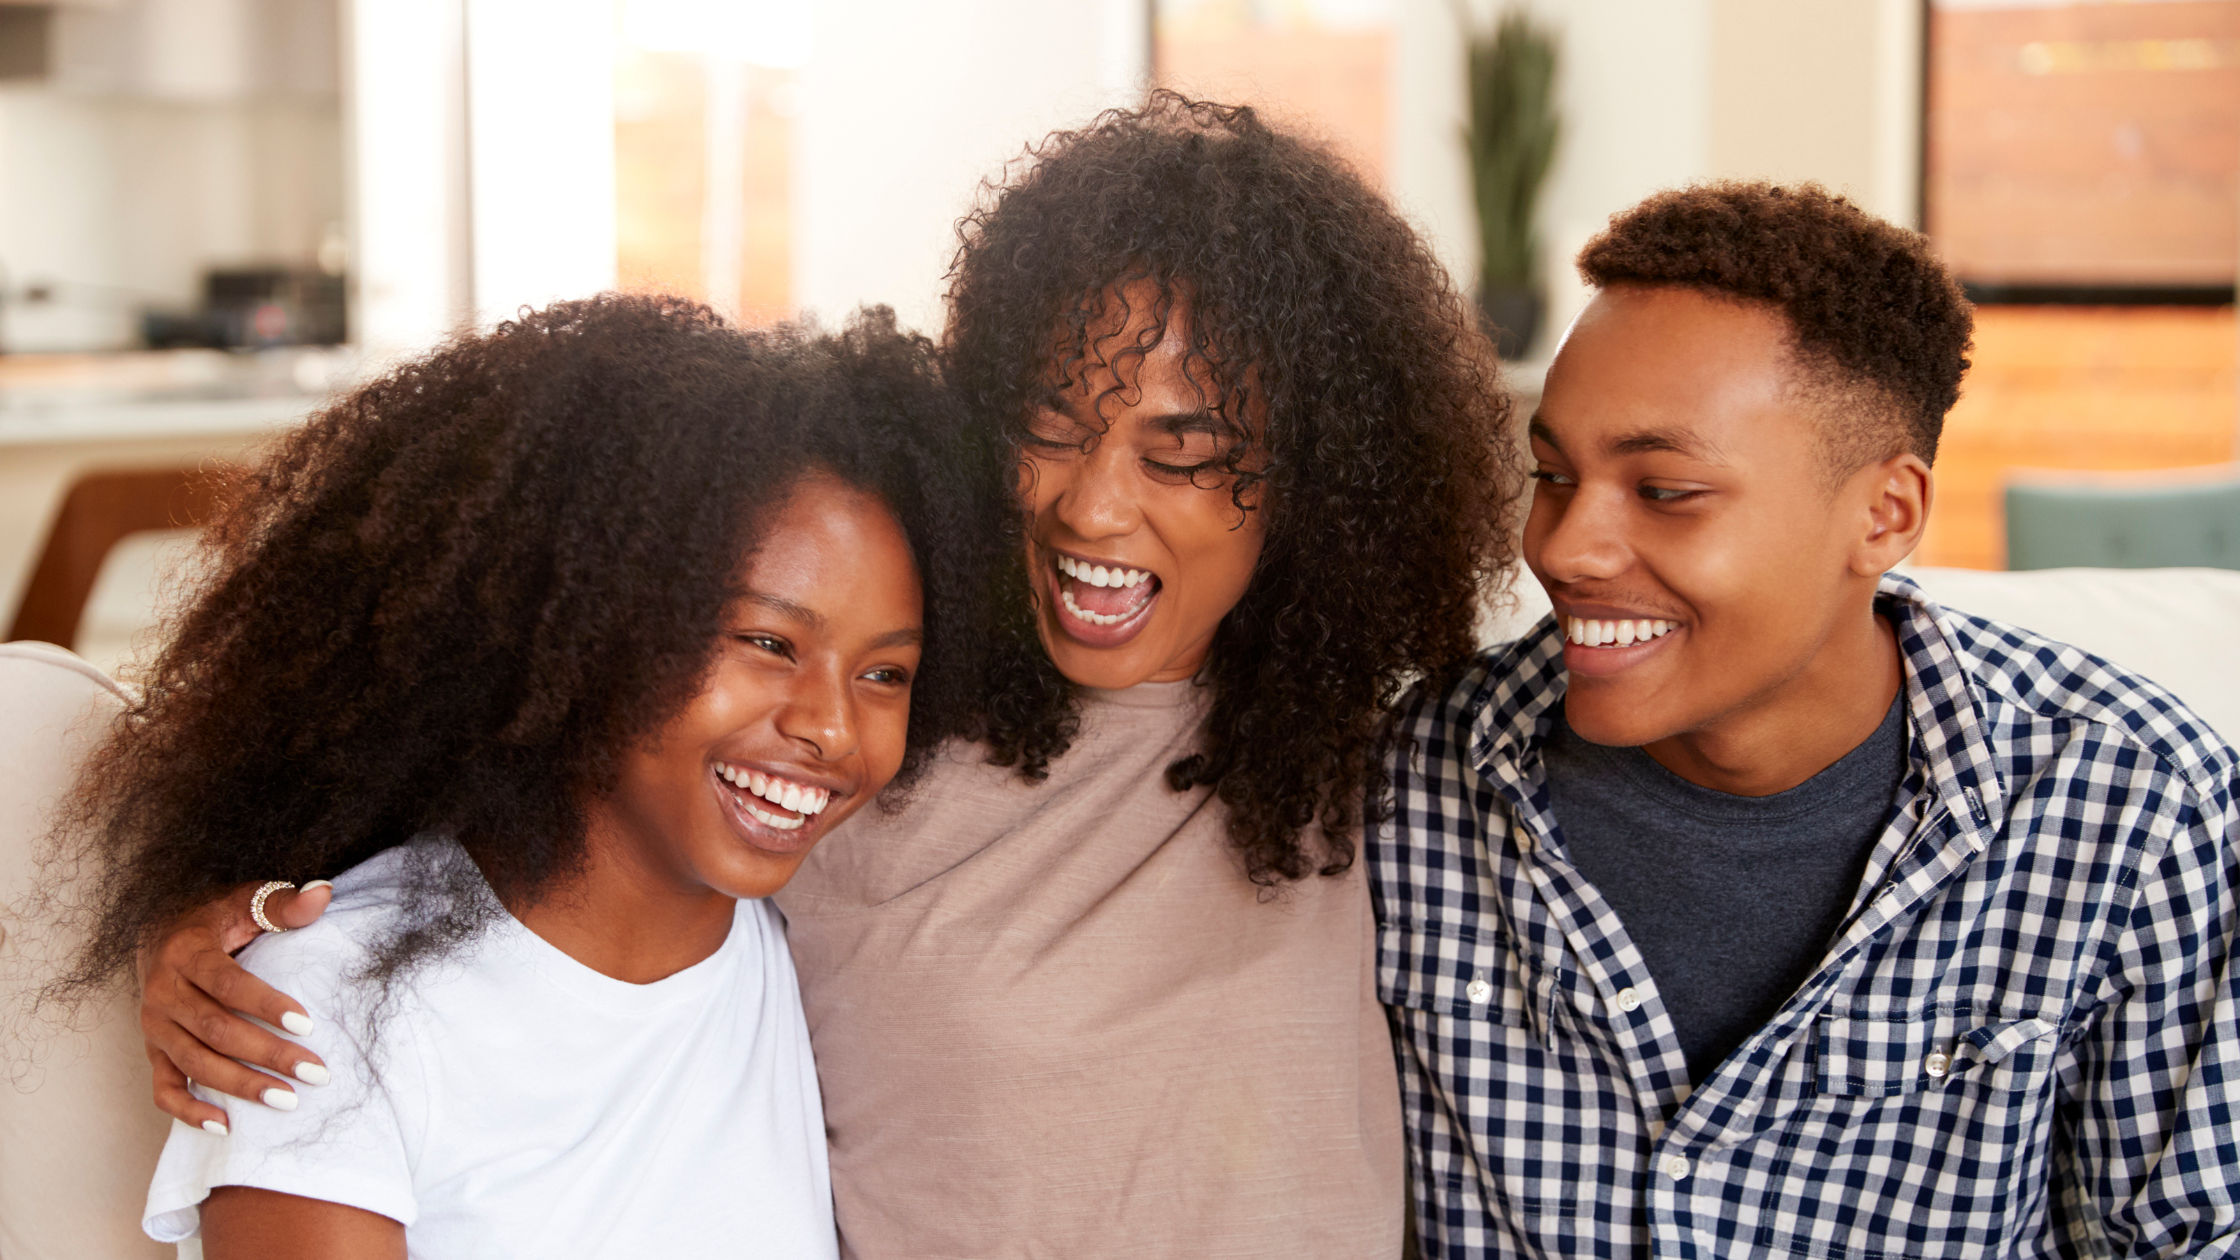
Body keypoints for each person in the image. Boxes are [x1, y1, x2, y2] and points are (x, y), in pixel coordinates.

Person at [130, 94, 1521, 1257]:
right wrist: (227, 910)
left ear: (1320, 483)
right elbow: (526, 795)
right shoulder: (861, 763)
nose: (1094, 511)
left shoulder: (1379, 760)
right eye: (1050, 424)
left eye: (1181, 452)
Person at [1375, 182, 2240, 1258]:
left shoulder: (2135, 809)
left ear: (1884, 515)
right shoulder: (1407, 783)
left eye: (1665, 491)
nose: (1561, 549)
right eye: (1551, 474)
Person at [38, 296, 991, 1258]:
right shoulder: (317, 1011)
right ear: (583, 624)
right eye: (767, 641)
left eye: (885, 674)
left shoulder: (814, 941)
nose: (831, 726)